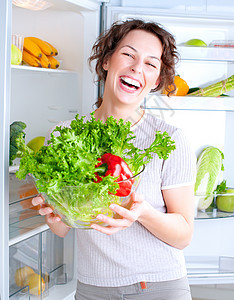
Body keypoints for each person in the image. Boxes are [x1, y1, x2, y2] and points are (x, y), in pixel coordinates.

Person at [32, 19, 196, 300]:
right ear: (107, 60)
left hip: (157, 286)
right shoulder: (63, 135)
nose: (136, 68)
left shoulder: (169, 138)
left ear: (156, 80)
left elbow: (183, 235)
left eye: (150, 63)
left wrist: (142, 213)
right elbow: (62, 228)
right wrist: (53, 213)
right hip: (92, 288)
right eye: (128, 54)